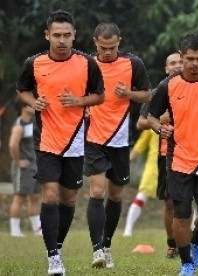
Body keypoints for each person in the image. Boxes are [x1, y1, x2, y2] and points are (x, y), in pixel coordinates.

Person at [16, 9, 104, 275]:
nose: (62, 40)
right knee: (51, 195)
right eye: (57, 35)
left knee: (68, 200)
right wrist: (34, 102)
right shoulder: (34, 63)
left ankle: (56, 245)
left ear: (75, 35)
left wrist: (79, 102)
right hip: (47, 141)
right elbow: (22, 90)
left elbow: (99, 96)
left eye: (67, 35)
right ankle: (53, 257)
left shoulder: (88, 63)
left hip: (76, 142)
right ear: (47, 35)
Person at [147, 33, 198, 276]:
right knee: (181, 214)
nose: (195, 64)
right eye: (190, 59)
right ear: (181, 57)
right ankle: (186, 265)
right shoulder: (168, 85)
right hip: (179, 159)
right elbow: (151, 116)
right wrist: (159, 128)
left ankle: (197, 241)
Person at [84, 22, 151, 269]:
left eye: (112, 47)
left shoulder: (133, 64)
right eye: (103, 48)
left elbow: (147, 94)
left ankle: (108, 245)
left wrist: (129, 95)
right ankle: (97, 249)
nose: (108, 52)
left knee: (115, 194)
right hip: (94, 139)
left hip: (120, 141)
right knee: (97, 192)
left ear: (119, 42)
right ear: (95, 43)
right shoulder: (87, 65)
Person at [123, 53, 183, 261]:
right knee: (169, 202)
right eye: (172, 63)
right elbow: (140, 123)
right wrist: (160, 119)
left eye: (180, 62)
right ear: (166, 68)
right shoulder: (159, 92)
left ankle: (189, 243)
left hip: (194, 152)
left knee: (188, 202)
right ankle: (171, 243)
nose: (177, 66)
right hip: (166, 153)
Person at [8, 101, 41, 237]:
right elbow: (12, 145)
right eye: (30, 104)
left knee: (34, 197)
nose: (34, 106)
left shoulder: (33, 123)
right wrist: (18, 161)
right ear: (23, 107)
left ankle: (37, 229)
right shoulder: (18, 126)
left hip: (35, 166)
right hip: (23, 168)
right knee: (19, 198)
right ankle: (15, 231)